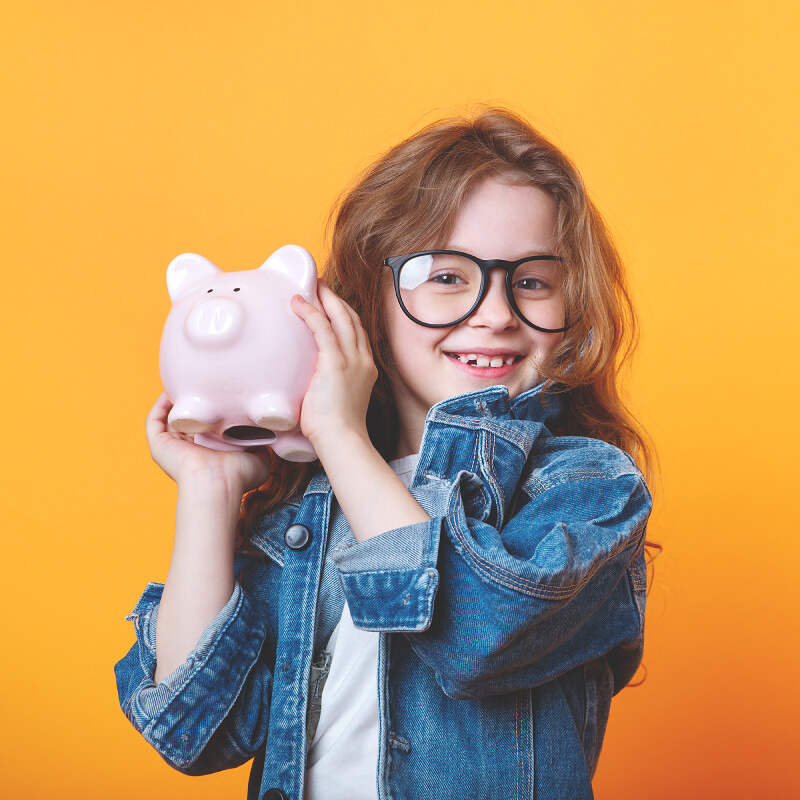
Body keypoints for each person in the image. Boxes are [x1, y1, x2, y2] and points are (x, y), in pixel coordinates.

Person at [115, 107, 659, 800]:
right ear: (370, 298)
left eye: (531, 281)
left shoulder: (588, 488)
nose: (495, 312)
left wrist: (339, 435)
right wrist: (211, 491)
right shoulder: (308, 511)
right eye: (447, 276)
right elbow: (194, 731)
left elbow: (475, 636)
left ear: (569, 308)